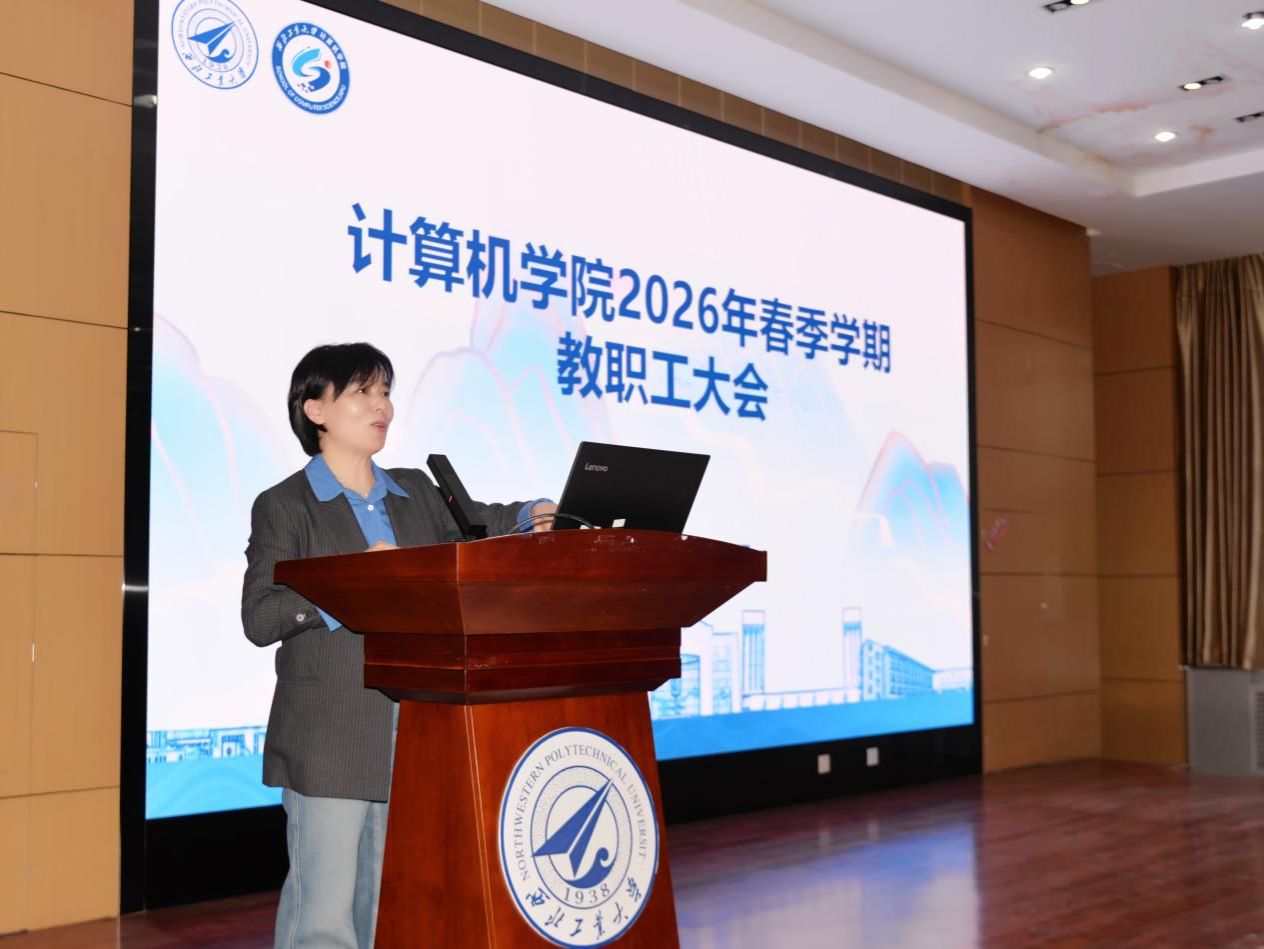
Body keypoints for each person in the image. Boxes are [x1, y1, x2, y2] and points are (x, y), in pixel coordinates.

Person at [241, 342, 554, 949]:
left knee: (390, 907)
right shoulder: (285, 504)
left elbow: (482, 522)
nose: (382, 405)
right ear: (315, 409)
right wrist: (353, 587)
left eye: (385, 391)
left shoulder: (414, 491)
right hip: (330, 734)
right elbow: (260, 616)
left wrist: (533, 513)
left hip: (416, 729)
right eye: (363, 392)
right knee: (323, 917)